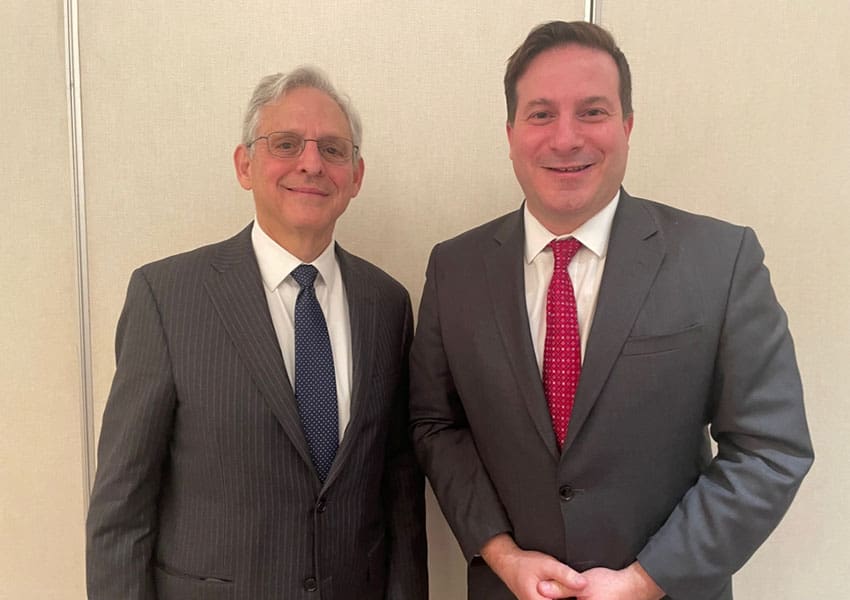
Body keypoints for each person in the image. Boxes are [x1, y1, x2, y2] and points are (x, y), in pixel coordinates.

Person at [409, 21, 813, 600]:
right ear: (511, 131)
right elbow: (435, 424)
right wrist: (502, 553)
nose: (566, 138)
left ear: (626, 125)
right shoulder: (454, 270)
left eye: (592, 112)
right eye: (541, 113)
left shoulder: (720, 260)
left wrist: (647, 580)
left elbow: (772, 448)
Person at [86, 66, 427, 600]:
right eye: (286, 143)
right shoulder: (167, 297)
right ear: (245, 165)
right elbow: (121, 513)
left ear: (356, 176)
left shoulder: (387, 305)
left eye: (333, 149)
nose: (311, 163)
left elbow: (400, 498)